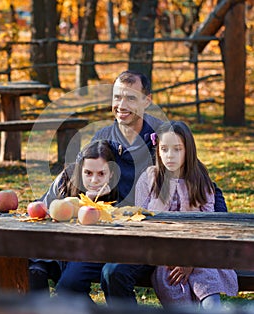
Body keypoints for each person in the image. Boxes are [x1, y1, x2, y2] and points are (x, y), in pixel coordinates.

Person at [30, 70, 228, 302]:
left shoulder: (161, 138)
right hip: (107, 234)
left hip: (147, 240)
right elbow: (76, 174)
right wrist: (48, 203)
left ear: (147, 100)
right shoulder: (104, 136)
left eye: (131, 98)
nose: (121, 105)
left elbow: (203, 184)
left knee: (112, 273)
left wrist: (199, 251)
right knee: (62, 281)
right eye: (117, 97)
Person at [133, 121, 238, 309]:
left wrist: (191, 260)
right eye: (164, 149)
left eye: (177, 149)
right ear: (157, 150)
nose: (170, 156)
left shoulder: (200, 180)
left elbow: (209, 225)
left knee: (209, 293)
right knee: (174, 286)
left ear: (188, 150)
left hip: (199, 252)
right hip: (163, 254)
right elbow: (139, 220)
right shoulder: (149, 178)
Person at [29, 140, 119, 294]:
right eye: (88, 173)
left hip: (92, 250)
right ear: (80, 170)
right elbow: (43, 209)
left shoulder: (116, 193)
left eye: (101, 174)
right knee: (34, 269)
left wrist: (91, 202)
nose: (94, 180)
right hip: (58, 244)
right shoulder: (65, 181)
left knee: (68, 285)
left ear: (110, 173)